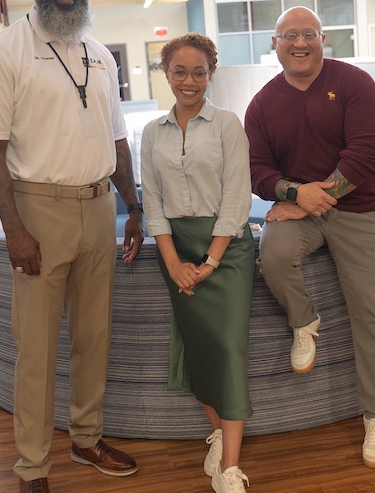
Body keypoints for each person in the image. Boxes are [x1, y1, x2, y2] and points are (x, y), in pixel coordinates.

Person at [0, 0, 143, 492]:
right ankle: (32, 469)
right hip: (38, 211)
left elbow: (118, 139)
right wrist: (14, 229)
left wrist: (132, 206)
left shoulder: (98, 53)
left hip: (98, 210)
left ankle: (86, 439)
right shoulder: (2, 52)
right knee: (37, 350)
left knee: (95, 337)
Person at [244, 6, 375, 469]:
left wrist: (316, 196)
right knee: (271, 254)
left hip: (358, 209)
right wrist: (293, 193)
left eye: (308, 34)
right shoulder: (262, 103)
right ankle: (303, 320)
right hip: (301, 208)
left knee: (371, 313)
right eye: (289, 35)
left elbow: (367, 149)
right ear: (275, 44)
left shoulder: (354, 83)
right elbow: (256, 170)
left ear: (323, 39)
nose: (299, 43)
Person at [140, 33, 254, 493]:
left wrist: (210, 260)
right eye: (180, 72)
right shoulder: (151, 133)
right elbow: (153, 203)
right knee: (197, 348)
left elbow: (236, 195)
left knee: (227, 349)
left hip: (226, 250)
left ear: (211, 74)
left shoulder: (227, 123)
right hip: (177, 251)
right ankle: (217, 434)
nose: (190, 81)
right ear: (166, 74)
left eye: (199, 72)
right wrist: (173, 263)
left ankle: (229, 469)